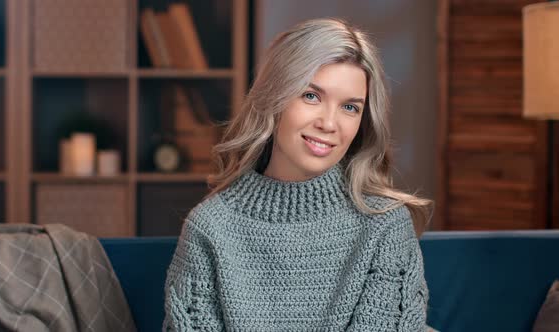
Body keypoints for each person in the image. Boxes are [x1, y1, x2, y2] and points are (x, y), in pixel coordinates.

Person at [163, 17, 434, 331]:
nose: (329, 124)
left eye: (350, 107)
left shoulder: (384, 225)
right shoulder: (209, 229)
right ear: (274, 99)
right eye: (311, 96)